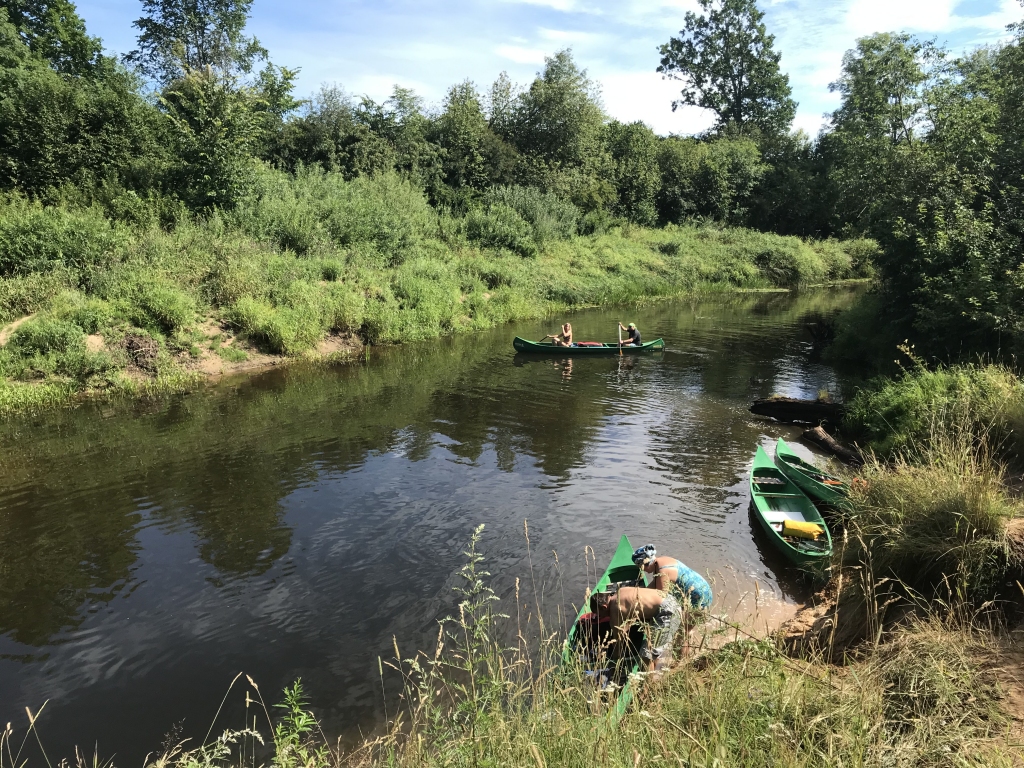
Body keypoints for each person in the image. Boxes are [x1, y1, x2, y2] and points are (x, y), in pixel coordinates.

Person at [590, 586, 680, 672]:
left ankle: (649, 686)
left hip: (668, 613)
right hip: (670, 600)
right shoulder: (621, 591)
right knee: (654, 648)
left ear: (604, 607)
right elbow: (632, 614)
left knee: (646, 654)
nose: (601, 617)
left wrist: (615, 663)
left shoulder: (615, 610)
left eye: (600, 614)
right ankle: (658, 671)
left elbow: (617, 642)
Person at [631, 545, 712, 610]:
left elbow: (661, 597)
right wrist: (638, 595)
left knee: (682, 628)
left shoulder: (662, 570)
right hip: (702, 587)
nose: (641, 570)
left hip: (700, 597)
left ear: (646, 563)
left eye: (640, 566)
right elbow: (653, 586)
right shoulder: (659, 562)